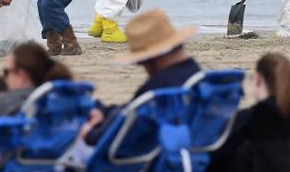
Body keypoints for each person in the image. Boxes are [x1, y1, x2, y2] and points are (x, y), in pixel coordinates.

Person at [76, 8, 201, 148]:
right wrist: (104, 112)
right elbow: (132, 110)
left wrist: (89, 133)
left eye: (142, 62)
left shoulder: (160, 88)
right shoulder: (197, 78)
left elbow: (126, 130)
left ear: (151, 58)